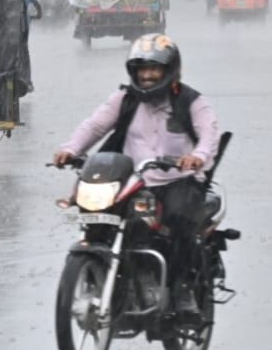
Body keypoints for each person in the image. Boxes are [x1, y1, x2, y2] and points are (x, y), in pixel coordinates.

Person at [52, 34, 219, 317]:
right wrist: (70, 149)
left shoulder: (191, 101)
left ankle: (182, 292)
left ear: (170, 70)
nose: (148, 76)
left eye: (154, 69)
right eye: (142, 69)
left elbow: (209, 134)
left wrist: (197, 157)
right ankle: (111, 277)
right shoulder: (124, 99)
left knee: (179, 221)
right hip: (133, 181)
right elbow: (94, 126)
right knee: (100, 218)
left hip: (177, 181)